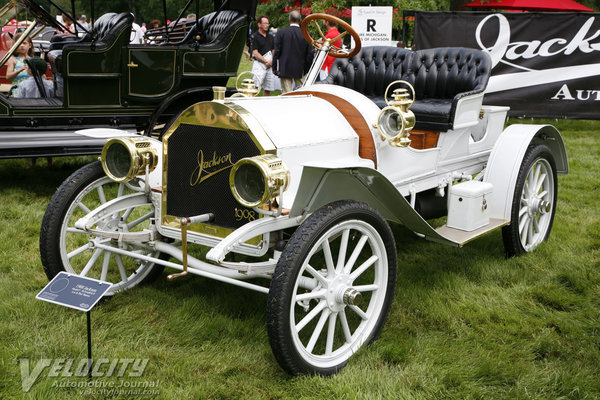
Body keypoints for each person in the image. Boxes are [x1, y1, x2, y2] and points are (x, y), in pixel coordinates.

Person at [273, 10, 314, 94]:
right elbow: (310, 54)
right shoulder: (306, 34)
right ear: (300, 20)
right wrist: (306, 69)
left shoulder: (281, 33)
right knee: (301, 94)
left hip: (284, 67)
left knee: (286, 94)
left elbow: (276, 51)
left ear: (289, 19)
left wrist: (274, 68)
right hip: (300, 69)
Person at [250, 16, 276, 96]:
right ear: (259, 24)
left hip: (269, 66)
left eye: (268, 23)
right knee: (255, 88)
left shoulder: (271, 37)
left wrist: (271, 61)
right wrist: (265, 62)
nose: (267, 25)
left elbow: (273, 50)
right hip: (259, 65)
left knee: (268, 89)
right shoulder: (254, 37)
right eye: (265, 23)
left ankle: (266, 105)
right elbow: (255, 52)